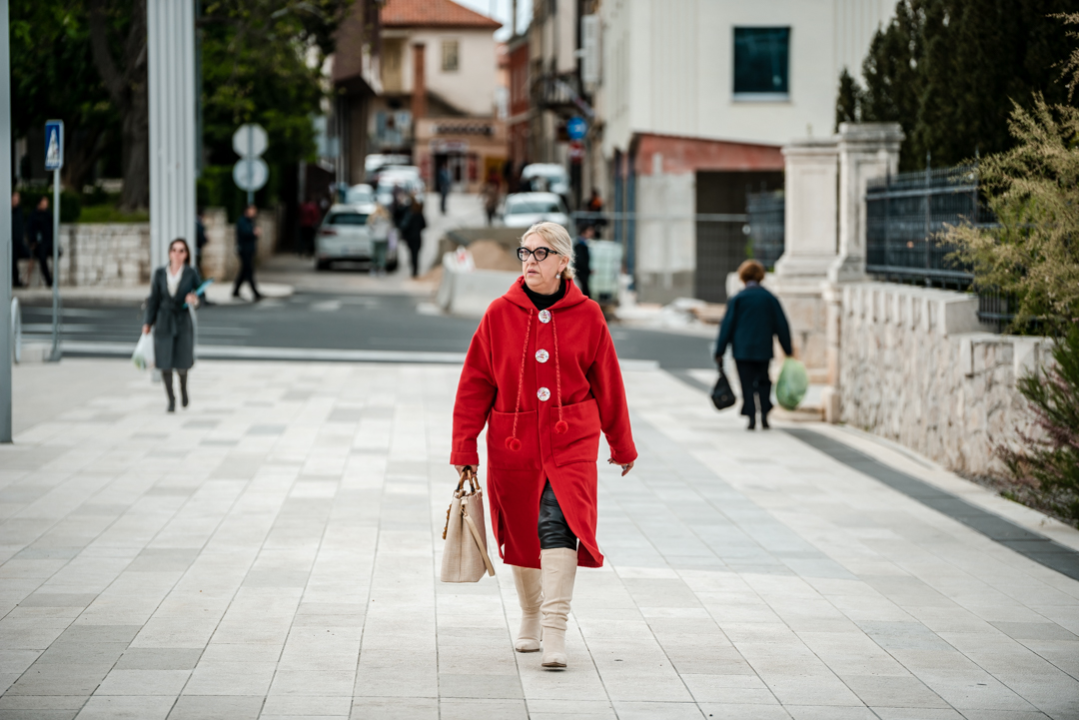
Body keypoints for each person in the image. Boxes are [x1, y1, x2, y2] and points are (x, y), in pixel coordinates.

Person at [451, 221, 637, 670]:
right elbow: (475, 384)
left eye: (540, 253)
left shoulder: (588, 315)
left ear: (562, 261)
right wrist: (464, 449)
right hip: (513, 441)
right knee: (521, 530)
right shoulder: (499, 313)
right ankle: (531, 614)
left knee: (559, 523)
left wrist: (622, 444)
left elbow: (608, 383)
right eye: (525, 252)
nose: (530, 261)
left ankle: (555, 630)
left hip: (571, 439)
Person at [714, 260, 792, 431]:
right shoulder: (769, 298)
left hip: (742, 350)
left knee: (746, 383)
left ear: (742, 277)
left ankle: (750, 416)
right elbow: (781, 324)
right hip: (763, 349)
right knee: (764, 381)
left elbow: (727, 326)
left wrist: (720, 350)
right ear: (761, 276)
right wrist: (788, 349)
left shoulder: (738, 299)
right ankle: (764, 413)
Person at [143, 238, 202, 413]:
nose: (177, 254)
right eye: (174, 250)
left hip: (183, 321)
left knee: (183, 361)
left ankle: (183, 389)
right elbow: (154, 299)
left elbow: (202, 295)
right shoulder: (160, 273)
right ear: (169, 253)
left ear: (186, 254)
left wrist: (194, 299)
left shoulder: (191, 273)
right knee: (164, 361)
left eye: (181, 250)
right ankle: (171, 399)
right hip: (163, 321)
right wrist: (148, 322)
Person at [232, 204, 263, 301]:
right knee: (249, 270)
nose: (254, 212)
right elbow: (244, 233)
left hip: (250, 250)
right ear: (247, 210)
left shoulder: (251, 221)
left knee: (244, 271)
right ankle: (255, 292)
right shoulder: (242, 221)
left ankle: (236, 291)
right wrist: (254, 232)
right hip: (244, 250)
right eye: (252, 210)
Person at [28, 196, 54, 287]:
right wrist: (32, 241)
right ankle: (49, 281)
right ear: (40, 203)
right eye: (44, 203)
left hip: (49, 242)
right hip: (39, 244)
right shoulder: (34, 215)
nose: (46, 205)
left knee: (56, 253)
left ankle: (52, 279)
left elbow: (52, 228)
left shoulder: (48, 213)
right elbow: (30, 229)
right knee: (42, 258)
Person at [400, 195, 426, 278]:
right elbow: (424, 225)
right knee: (416, 255)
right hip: (417, 238)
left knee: (412, 254)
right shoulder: (419, 214)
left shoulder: (410, 214)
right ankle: (415, 270)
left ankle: (414, 270)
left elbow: (404, 226)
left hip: (411, 238)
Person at [366, 204, 391, 276]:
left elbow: (370, 228)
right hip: (383, 238)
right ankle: (381, 269)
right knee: (382, 254)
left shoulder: (373, 217)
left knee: (374, 254)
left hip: (375, 238)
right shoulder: (386, 217)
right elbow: (389, 228)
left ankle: (374, 269)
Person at [11, 192, 29, 288]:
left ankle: (24, 279)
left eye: (17, 199)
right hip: (11, 242)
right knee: (13, 260)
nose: (16, 201)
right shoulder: (8, 211)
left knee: (30, 255)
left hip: (19, 242)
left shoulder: (19, 211)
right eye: (14, 199)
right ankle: (17, 281)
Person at [574, 225, 593, 298]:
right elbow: (580, 260)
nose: (591, 232)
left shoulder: (585, 244)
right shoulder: (579, 245)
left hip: (583, 272)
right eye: (589, 230)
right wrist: (587, 269)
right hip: (581, 272)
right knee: (585, 291)